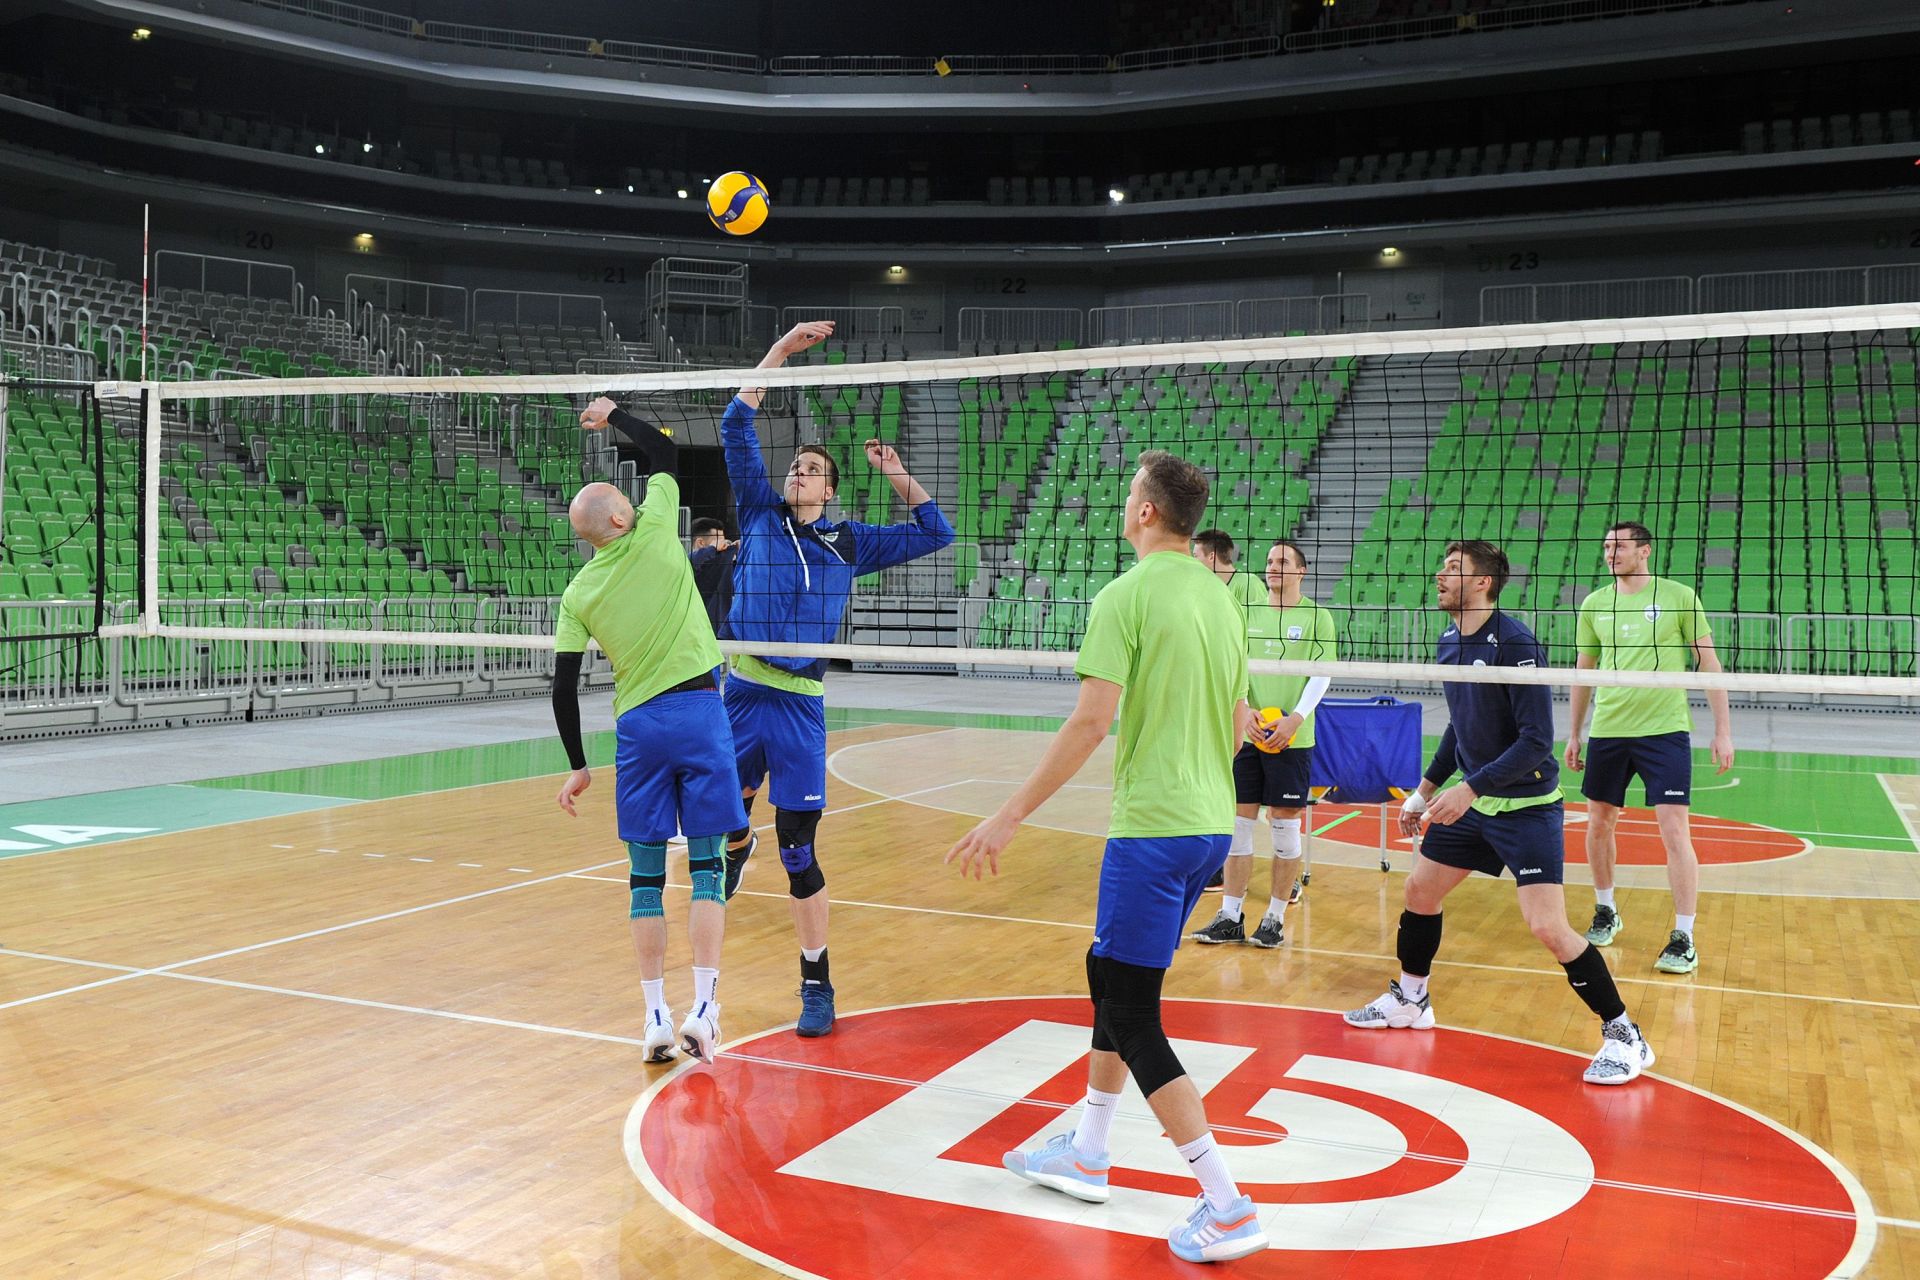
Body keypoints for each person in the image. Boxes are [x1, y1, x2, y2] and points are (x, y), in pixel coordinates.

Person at [950, 451, 1269, 1265]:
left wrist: (1009, 816)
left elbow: (1092, 722)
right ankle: (1088, 1150)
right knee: (1113, 978)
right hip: (1208, 827)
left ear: (1146, 513)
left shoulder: (1124, 596)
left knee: (1131, 1013)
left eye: (1131, 494)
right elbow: (1242, 723)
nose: (1125, 504)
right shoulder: (1222, 598)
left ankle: (1226, 1203)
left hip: (1153, 828)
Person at [715, 319, 952, 1038]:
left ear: (831, 488)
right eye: (795, 466)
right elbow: (734, 424)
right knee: (723, 818)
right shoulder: (760, 512)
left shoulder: (850, 541)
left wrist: (897, 473)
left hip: (799, 705)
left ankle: (816, 983)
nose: (798, 473)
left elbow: (936, 532)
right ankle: (736, 844)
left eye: (812, 469)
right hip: (740, 692)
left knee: (798, 849)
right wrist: (780, 351)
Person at [1344, 540, 1655, 1087]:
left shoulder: (1516, 644)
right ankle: (1412, 1000)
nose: (1440, 575)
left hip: (1526, 808)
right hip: (1475, 803)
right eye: (1443, 567)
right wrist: (1424, 790)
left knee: (1548, 926)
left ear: (1483, 582)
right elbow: (1460, 727)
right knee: (1420, 892)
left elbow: (1536, 741)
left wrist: (1468, 790)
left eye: (1453, 568)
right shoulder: (1448, 642)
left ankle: (1625, 1035)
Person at [552, 403, 744, 1066]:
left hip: (637, 729)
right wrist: (616, 415)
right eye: (625, 502)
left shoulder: (578, 593)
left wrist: (578, 765)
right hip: (698, 713)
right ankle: (705, 1010)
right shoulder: (658, 525)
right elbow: (666, 454)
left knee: (644, 879)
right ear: (620, 519)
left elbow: (563, 687)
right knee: (708, 867)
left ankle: (655, 1017)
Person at [1564, 520, 1733, 975]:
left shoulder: (1679, 596)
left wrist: (1723, 730)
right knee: (1599, 823)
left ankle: (1684, 936)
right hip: (1609, 728)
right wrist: (1574, 732)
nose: (1611, 553)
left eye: (1620, 546)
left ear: (1645, 551)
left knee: (1674, 832)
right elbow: (1583, 671)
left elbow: (1709, 662)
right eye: (1606, 546)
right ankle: (1606, 910)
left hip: (1664, 730)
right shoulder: (1595, 603)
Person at [1191, 539, 1337, 948]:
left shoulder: (1318, 617)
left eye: (1283, 561)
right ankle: (1230, 916)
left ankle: (1274, 919)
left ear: (1301, 571)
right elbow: (1232, 668)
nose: (1273, 567)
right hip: (1250, 735)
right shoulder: (1245, 611)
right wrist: (1245, 712)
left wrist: (1295, 719)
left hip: (1292, 738)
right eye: (1270, 561)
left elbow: (1322, 673)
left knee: (1284, 829)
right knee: (1238, 827)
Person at [687, 517, 736, 637]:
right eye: (719, 541)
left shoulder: (724, 563)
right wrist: (712, 549)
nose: (723, 545)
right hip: (692, 632)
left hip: (720, 635)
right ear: (700, 543)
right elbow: (691, 563)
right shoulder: (685, 563)